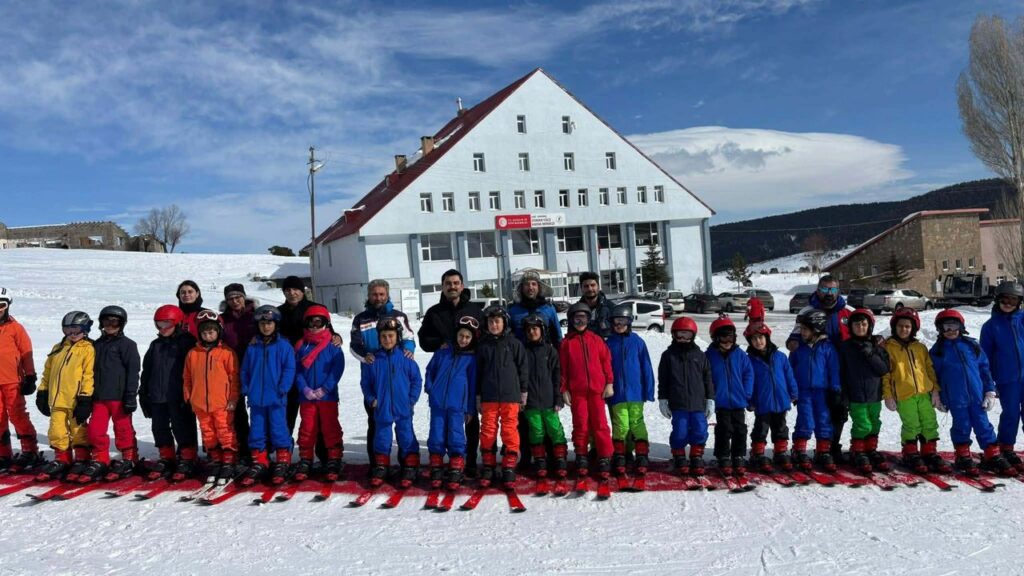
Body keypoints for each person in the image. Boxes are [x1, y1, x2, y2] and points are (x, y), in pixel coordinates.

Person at [930, 309, 1016, 477]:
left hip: (977, 397)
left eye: (954, 326)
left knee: (983, 425)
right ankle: (962, 455)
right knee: (961, 426)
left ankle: (992, 454)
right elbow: (933, 376)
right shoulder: (937, 351)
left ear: (961, 327)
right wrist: (937, 395)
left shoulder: (972, 346)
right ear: (940, 329)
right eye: (946, 327)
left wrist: (989, 390)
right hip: (955, 398)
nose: (950, 331)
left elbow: (984, 369)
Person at [417, 269, 483, 475]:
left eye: (455, 283)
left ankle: (469, 461)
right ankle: (440, 458)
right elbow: (423, 339)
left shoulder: (474, 310)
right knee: (441, 422)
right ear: (443, 286)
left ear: (462, 286)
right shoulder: (434, 312)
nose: (452, 286)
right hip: (444, 370)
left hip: (468, 369)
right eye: (448, 283)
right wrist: (440, 343)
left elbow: (485, 336)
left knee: (469, 419)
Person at [350, 279, 415, 468]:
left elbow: (409, 338)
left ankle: (407, 464)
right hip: (375, 378)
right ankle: (378, 464)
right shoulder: (361, 319)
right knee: (376, 423)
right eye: (374, 294)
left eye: (381, 294)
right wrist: (366, 357)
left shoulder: (399, 316)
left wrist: (408, 351)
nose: (378, 298)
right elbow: (355, 345)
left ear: (387, 295)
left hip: (397, 377)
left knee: (404, 425)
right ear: (368, 296)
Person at [787, 275, 852, 463]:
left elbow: (861, 332)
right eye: (824, 289)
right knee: (808, 416)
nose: (829, 293)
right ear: (818, 290)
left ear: (838, 291)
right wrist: (793, 343)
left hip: (839, 371)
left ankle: (830, 447)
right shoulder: (807, 311)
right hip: (813, 372)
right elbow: (795, 337)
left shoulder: (846, 313)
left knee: (838, 412)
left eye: (833, 289)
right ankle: (803, 448)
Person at [882, 308, 949, 474]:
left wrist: (935, 390)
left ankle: (929, 452)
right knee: (911, 424)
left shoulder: (920, 347)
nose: (904, 329)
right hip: (904, 395)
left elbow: (929, 369)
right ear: (894, 327)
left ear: (913, 328)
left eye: (907, 326)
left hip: (924, 393)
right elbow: (886, 374)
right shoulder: (888, 348)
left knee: (929, 422)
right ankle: (910, 453)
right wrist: (888, 395)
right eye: (900, 326)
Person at [507, 270, 561, 470]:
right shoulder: (513, 310)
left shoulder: (548, 309)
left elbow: (557, 337)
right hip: (520, 364)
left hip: (544, 362)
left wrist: (557, 363)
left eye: (534, 284)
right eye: (526, 284)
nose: (530, 287)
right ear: (521, 288)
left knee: (547, 413)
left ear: (539, 287)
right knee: (524, 414)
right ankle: (528, 455)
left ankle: (552, 455)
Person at [139, 305, 200, 482]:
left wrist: (190, 393)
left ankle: (188, 457)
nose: (162, 328)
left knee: (182, 426)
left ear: (178, 323)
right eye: (159, 325)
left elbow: (193, 371)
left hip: (178, 395)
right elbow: (147, 370)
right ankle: (166, 457)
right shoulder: (156, 344)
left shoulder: (187, 343)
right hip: (157, 395)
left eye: (167, 324)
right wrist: (144, 393)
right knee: (159, 427)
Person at [277, 275, 343, 436]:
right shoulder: (279, 312)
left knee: (318, 414)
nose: (292, 293)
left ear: (302, 291)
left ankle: (323, 449)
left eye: (296, 289)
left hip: (313, 366)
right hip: (287, 366)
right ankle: (284, 446)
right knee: (287, 411)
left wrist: (336, 336)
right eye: (288, 290)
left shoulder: (315, 308)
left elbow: (328, 330)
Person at [81, 306, 141, 482]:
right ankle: (100, 459)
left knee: (123, 429)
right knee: (95, 430)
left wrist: (130, 395)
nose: (110, 325)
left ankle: (129, 458)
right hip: (99, 398)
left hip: (119, 397)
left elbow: (133, 372)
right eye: (106, 321)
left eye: (114, 322)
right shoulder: (95, 345)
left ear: (121, 324)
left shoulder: (128, 345)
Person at [239, 305, 296, 486]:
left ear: (276, 324)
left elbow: (289, 368)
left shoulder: (283, 346)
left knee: (279, 428)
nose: (266, 327)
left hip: (276, 397)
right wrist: (246, 387)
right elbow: (245, 369)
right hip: (256, 398)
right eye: (262, 324)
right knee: (257, 430)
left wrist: (283, 387)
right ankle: (260, 459)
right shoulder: (252, 347)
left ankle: (283, 458)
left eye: (269, 323)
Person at [35, 311, 95, 480]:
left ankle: (82, 458)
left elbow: (88, 375)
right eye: (67, 330)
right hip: (56, 400)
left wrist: (85, 398)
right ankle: (62, 459)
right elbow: (47, 373)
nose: (72, 334)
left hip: (75, 400)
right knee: (56, 431)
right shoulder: (58, 348)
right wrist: (42, 391)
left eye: (76, 330)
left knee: (78, 431)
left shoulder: (88, 349)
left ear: (85, 329)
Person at [363, 316, 422, 488]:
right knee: (382, 437)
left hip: (403, 407)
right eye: (383, 336)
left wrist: (411, 399)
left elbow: (417, 380)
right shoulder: (373, 361)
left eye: (390, 336)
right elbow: (366, 383)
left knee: (406, 435)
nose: (387, 339)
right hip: (382, 407)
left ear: (398, 337)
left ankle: (410, 465)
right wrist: (371, 399)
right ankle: (382, 465)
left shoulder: (406, 358)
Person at [183, 310, 241, 482]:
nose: (208, 336)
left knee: (225, 431)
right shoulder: (193, 353)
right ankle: (216, 460)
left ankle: (229, 460)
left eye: (211, 332)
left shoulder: (226, 353)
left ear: (218, 332)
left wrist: (233, 398)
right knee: (208, 432)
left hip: (222, 403)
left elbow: (234, 378)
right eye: (204, 333)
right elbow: (187, 377)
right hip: (200, 403)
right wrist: (189, 395)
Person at [560, 302, 614, 479]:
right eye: (576, 318)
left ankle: (604, 456)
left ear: (589, 319)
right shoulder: (566, 343)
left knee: (600, 424)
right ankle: (581, 455)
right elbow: (563, 369)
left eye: (583, 318)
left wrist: (609, 383)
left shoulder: (596, 340)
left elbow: (606, 362)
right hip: (578, 393)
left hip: (597, 391)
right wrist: (564, 389)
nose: (580, 322)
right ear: (571, 320)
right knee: (581, 425)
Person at [423, 315, 478, 490]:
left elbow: (472, 385)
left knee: (456, 435)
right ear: (456, 335)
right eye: (461, 335)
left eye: (467, 337)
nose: (463, 339)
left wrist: (470, 409)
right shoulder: (442, 352)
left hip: (457, 405)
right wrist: (430, 387)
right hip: (438, 403)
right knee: (436, 433)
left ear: (472, 339)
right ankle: (436, 464)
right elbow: (430, 371)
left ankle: (456, 465)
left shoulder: (471, 359)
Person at [476, 306, 528, 486]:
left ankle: (509, 465)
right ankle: (488, 465)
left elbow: (523, 369)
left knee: (509, 429)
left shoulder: (514, 344)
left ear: (504, 323)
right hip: (489, 396)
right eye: (491, 322)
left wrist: (523, 392)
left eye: (497, 321)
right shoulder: (483, 346)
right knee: (488, 430)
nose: (494, 325)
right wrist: (478, 395)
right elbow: (478, 372)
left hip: (510, 396)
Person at [293, 305, 345, 482]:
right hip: (307, 397)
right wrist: (304, 389)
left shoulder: (332, 345)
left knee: (330, 427)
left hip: (327, 397)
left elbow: (337, 369)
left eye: (319, 322)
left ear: (326, 324)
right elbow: (297, 370)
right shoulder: (301, 345)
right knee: (307, 428)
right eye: (311, 322)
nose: (315, 326)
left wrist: (325, 389)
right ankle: (306, 459)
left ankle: (334, 459)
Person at [658, 316, 714, 476]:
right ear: (673, 335)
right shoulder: (668, 356)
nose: (683, 338)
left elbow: (708, 378)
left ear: (693, 335)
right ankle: (679, 455)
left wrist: (710, 398)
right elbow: (663, 379)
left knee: (700, 429)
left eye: (687, 334)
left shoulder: (700, 355)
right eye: (679, 334)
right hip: (678, 402)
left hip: (698, 402)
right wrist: (663, 398)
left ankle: (696, 455)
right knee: (680, 431)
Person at [837, 309, 891, 474]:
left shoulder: (876, 346)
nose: (860, 327)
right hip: (856, 396)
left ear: (869, 326)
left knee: (874, 423)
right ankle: (858, 450)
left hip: (874, 395)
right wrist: (843, 395)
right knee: (862, 424)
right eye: (856, 324)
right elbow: (842, 372)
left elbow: (884, 369)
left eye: (863, 324)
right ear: (850, 327)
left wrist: (870, 354)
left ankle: (870, 449)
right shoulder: (846, 347)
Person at [605, 304, 655, 477]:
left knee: (637, 423)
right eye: (616, 321)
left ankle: (641, 454)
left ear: (629, 322)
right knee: (621, 425)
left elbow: (646, 367)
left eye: (623, 321)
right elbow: (604, 369)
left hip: (636, 393)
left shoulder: (637, 342)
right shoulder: (608, 344)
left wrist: (648, 389)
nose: (619, 325)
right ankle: (620, 454)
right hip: (617, 394)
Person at [980, 280, 1024, 472]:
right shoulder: (991, 327)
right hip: (1007, 379)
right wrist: (989, 383)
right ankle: (1006, 447)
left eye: (1012, 300)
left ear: (1019, 302)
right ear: (997, 300)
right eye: (1004, 299)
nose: (1008, 304)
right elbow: (985, 358)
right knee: (1011, 414)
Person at [789, 309, 841, 472]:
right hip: (803, 391)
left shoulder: (828, 348)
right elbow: (790, 369)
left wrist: (835, 388)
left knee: (824, 420)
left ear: (816, 329)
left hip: (822, 392)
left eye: (805, 329)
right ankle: (799, 449)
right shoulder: (799, 348)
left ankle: (823, 450)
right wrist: (792, 390)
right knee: (806, 419)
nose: (802, 333)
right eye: (802, 329)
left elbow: (834, 369)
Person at [520, 313, 569, 480]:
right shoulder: (523, 352)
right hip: (531, 402)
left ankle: (560, 458)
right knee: (536, 431)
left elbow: (557, 376)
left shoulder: (550, 350)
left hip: (549, 401)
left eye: (535, 329)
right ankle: (540, 459)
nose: (532, 332)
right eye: (528, 330)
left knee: (555, 430)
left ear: (542, 330)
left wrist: (558, 397)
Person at [744, 322, 798, 472]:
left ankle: (780, 452)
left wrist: (793, 392)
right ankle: (758, 453)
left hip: (780, 400)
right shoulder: (749, 360)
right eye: (754, 339)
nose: (758, 342)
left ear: (767, 338)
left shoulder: (780, 357)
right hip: (762, 402)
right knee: (761, 428)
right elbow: (747, 381)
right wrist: (749, 400)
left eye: (761, 338)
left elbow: (789, 376)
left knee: (780, 428)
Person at [0, 287, 42, 472]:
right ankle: (3, 453)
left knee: (17, 415)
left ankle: (30, 451)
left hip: (13, 381)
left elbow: (26, 352)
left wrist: (30, 376)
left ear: (7, 306)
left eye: (1, 305)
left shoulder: (15, 328)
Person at [706, 316, 754, 475]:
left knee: (740, 429)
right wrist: (710, 394)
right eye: (723, 338)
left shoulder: (740, 355)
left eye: (731, 338)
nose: (728, 342)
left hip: (739, 400)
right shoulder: (709, 356)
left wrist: (747, 392)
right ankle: (723, 455)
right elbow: (706, 376)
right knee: (724, 429)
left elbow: (748, 373)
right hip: (721, 402)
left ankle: (738, 455)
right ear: (715, 338)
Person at [220, 283, 255, 461]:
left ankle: (260, 448)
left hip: (255, 368)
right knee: (237, 410)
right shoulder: (223, 320)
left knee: (258, 410)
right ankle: (244, 447)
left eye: (238, 297)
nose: (235, 301)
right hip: (232, 369)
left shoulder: (256, 315)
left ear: (244, 297)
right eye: (230, 299)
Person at [577, 271, 615, 338]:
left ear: (598, 286)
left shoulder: (611, 308)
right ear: (581, 288)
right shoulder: (576, 310)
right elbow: (571, 335)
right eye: (586, 286)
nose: (590, 289)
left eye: (593, 285)